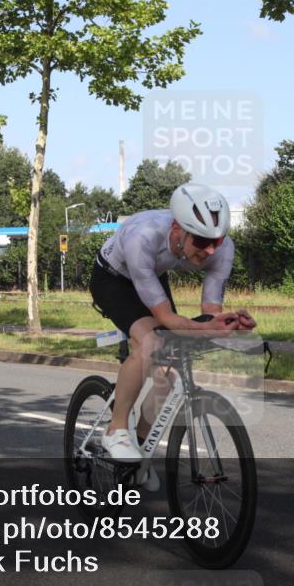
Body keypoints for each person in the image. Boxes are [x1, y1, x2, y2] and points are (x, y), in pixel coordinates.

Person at [90, 184, 256, 470]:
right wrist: (202, 329)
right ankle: (115, 430)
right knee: (151, 342)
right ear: (178, 229)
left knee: (168, 373)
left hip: (153, 274)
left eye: (217, 241)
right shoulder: (143, 235)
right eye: (203, 241)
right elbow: (165, 319)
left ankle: (138, 453)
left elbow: (209, 312)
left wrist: (224, 325)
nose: (210, 250)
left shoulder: (221, 248)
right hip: (113, 279)